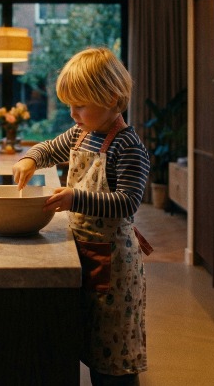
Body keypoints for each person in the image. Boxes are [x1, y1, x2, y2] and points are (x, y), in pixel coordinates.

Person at [13, 47, 151, 386]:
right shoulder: (81, 133)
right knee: (92, 340)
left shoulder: (128, 146)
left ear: (113, 98)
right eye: (69, 105)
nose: (73, 114)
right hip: (87, 253)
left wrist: (76, 197)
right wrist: (30, 159)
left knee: (113, 358)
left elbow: (127, 203)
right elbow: (48, 148)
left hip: (115, 264)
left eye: (81, 105)